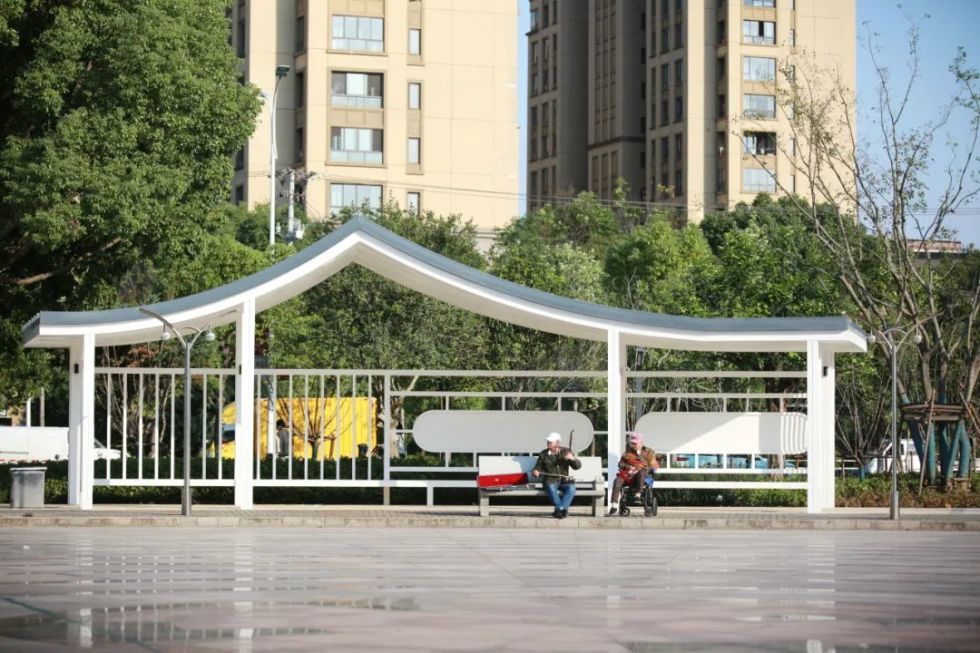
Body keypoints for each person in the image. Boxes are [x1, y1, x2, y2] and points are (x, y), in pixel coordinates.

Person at [532, 432, 581, 519]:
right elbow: (537, 468)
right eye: (548, 441)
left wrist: (572, 458)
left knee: (572, 489)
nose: (548, 443)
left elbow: (577, 466)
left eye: (550, 441)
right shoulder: (543, 454)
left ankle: (559, 510)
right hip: (550, 481)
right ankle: (562, 510)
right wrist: (535, 471)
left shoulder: (566, 452)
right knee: (551, 488)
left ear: (558, 442)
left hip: (564, 481)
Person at [609, 432, 658, 515]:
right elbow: (620, 464)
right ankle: (614, 505)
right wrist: (629, 467)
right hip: (628, 475)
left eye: (635, 443)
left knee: (641, 472)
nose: (633, 445)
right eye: (632, 443)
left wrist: (642, 468)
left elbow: (653, 466)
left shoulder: (649, 452)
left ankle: (638, 494)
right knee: (617, 480)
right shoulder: (627, 452)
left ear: (641, 442)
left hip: (642, 474)